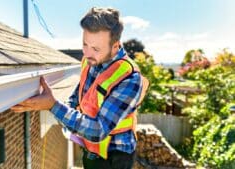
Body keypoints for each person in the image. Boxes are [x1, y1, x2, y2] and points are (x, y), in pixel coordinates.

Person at [11, 7, 148, 169]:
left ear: (115, 46)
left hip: (115, 158)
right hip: (90, 148)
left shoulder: (130, 78)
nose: (88, 53)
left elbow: (98, 130)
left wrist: (53, 106)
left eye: (96, 48)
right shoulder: (89, 60)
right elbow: (79, 93)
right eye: (85, 44)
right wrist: (65, 107)